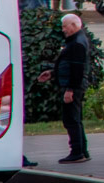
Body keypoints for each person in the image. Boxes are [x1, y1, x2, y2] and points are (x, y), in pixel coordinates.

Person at [38, 13, 90, 164]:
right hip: (73, 84)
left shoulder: (77, 43)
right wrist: (53, 73)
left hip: (73, 86)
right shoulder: (76, 40)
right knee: (75, 118)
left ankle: (77, 152)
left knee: (71, 119)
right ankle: (82, 151)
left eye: (64, 26)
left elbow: (77, 69)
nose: (63, 30)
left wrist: (70, 90)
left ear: (74, 25)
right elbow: (71, 65)